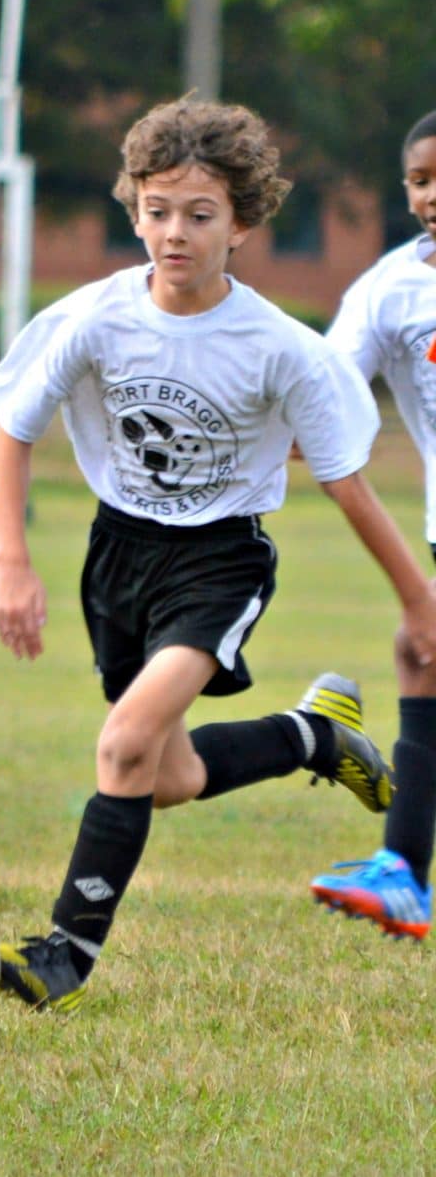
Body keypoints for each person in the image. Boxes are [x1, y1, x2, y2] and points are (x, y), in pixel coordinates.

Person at [0, 96, 436, 1013]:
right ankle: (314, 735)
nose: (172, 233)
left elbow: (346, 481)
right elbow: (11, 428)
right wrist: (11, 562)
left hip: (220, 562)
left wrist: (420, 601)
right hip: (118, 556)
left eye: (198, 214)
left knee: (123, 744)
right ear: (133, 208)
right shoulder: (95, 317)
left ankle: (65, 951)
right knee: (168, 776)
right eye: (155, 210)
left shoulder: (279, 349)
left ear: (244, 222)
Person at [308, 110, 436, 941]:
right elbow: (323, 388)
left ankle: (403, 871)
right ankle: (401, 873)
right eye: (421, 181)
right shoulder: (391, 289)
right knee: (420, 651)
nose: (434, 196)